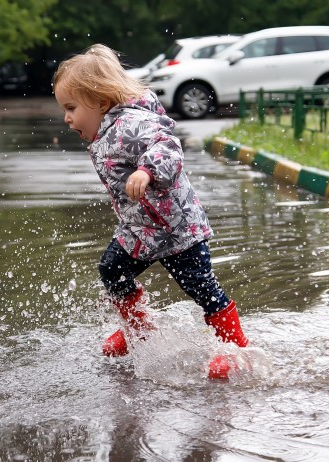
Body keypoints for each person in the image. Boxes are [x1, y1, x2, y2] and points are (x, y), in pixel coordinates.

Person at [52, 44, 249, 379]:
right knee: (111, 269)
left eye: (71, 108)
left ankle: (235, 348)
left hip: (176, 227)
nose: (67, 118)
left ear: (100, 101)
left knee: (200, 286)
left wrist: (147, 171)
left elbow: (168, 146)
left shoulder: (132, 123)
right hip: (141, 227)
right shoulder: (104, 132)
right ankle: (138, 330)